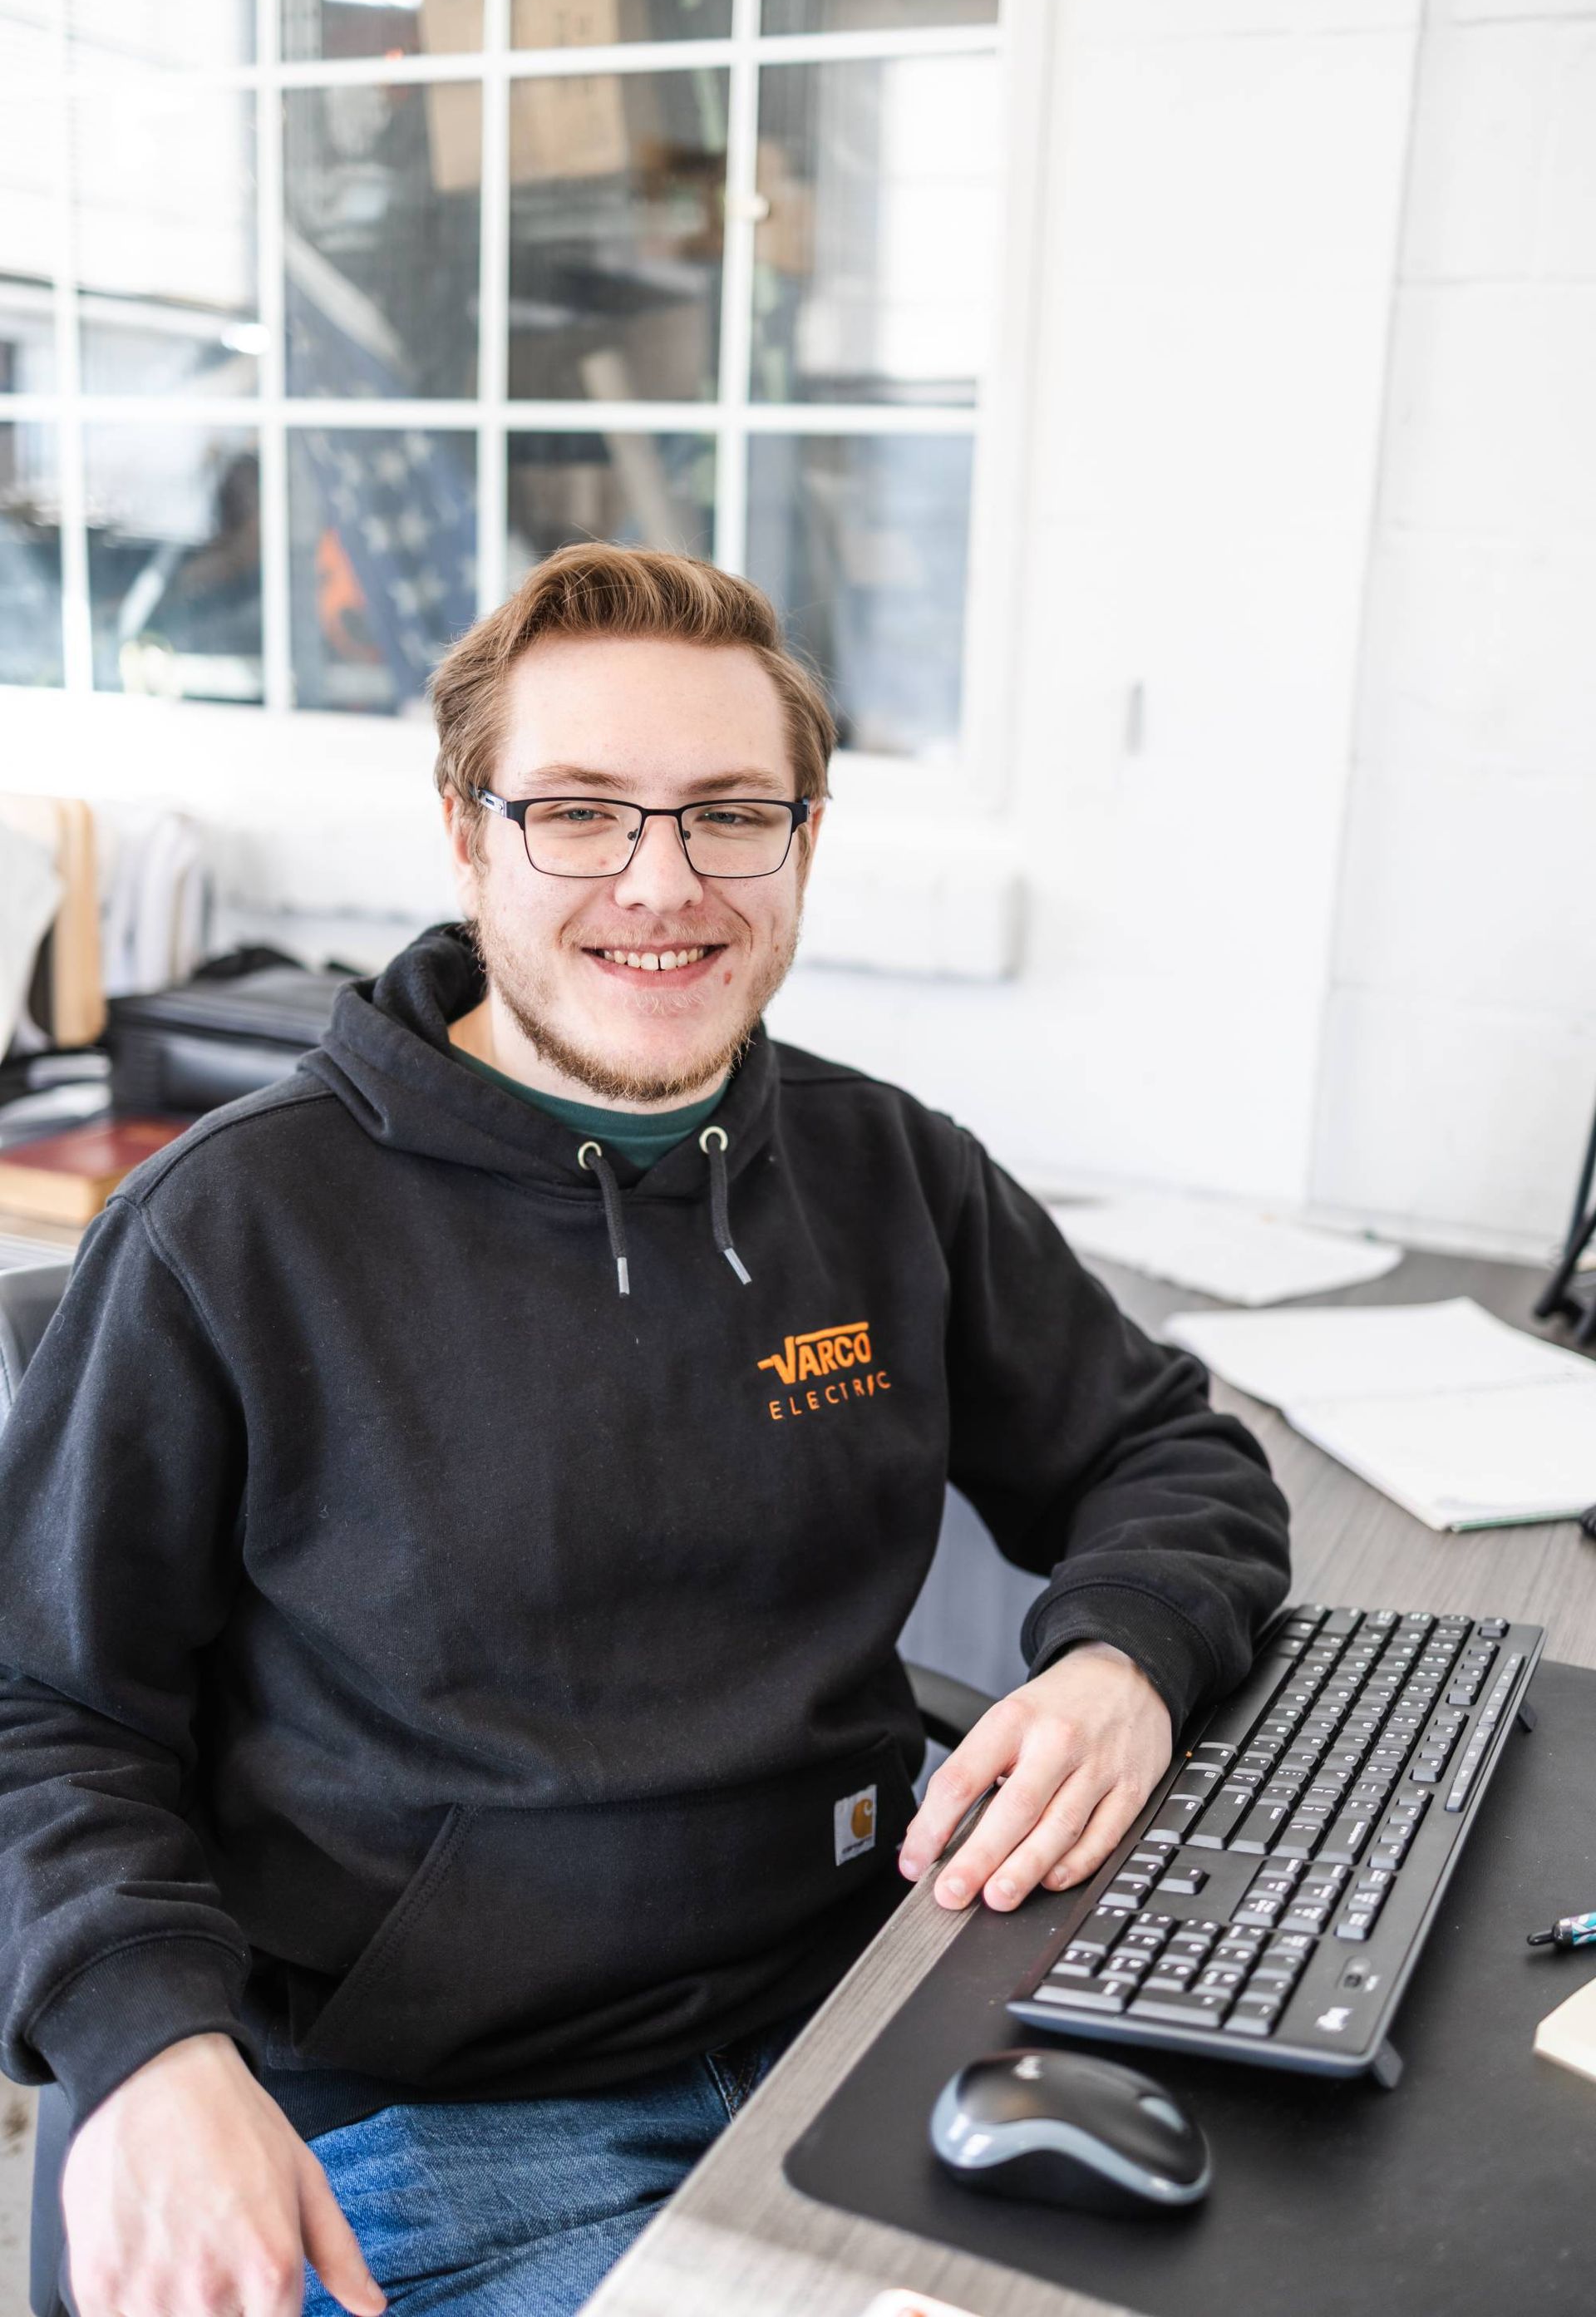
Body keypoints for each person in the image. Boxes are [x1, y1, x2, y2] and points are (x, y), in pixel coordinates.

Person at [0, 547, 1290, 2317]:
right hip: (430, 2124)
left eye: (730, 814)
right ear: (467, 836)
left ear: (804, 841)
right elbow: (40, 1706)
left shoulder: (885, 1169)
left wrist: (1121, 1662)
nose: (662, 883)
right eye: (580, 812)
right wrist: (147, 2050)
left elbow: (1165, 1450)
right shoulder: (231, 1232)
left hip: (860, 2020)